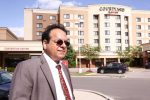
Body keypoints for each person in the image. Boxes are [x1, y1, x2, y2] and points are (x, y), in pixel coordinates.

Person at [9, 24, 75, 100]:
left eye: (66, 43)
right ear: (45, 44)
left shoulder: (64, 68)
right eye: (59, 42)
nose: (64, 45)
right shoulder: (26, 67)